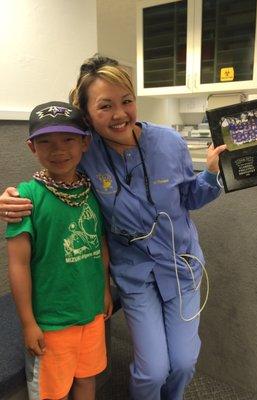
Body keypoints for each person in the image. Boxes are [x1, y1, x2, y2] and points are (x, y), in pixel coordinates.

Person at [0, 54, 226, 400]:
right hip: (133, 273)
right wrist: (10, 198)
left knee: (183, 362)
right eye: (105, 106)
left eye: (127, 101)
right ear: (87, 115)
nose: (120, 114)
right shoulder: (83, 151)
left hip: (180, 266)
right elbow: (53, 177)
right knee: (152, 371)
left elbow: (191, 198)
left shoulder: (168, 142)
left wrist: (210, 174)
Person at [5, 101, 113, 400]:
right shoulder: (25, 197)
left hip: (90, 312)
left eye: (68, 139)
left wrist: (104, 290)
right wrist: (28, 322)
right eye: (46, 142)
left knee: (86, 380)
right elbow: (18, 264)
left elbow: (100, 244)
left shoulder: (91, 190)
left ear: (85, 143)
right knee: (52, 393)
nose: (59, 150)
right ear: (32, 147)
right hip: (51, 321)